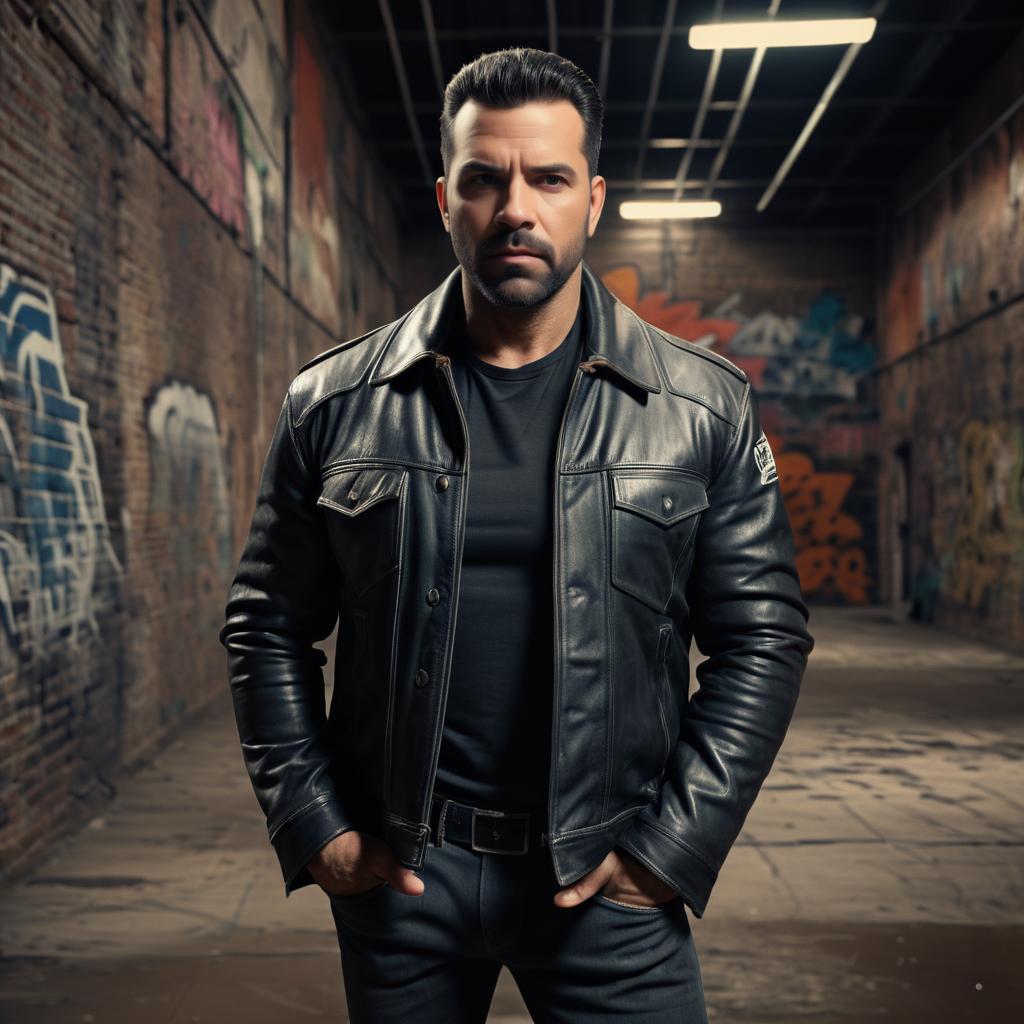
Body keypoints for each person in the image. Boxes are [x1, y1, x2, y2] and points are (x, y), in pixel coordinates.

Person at [220, 46, 814, 1024]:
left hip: (605, 878)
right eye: (486, 180)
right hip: (404, 878)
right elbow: (266, 626)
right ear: (448, 195)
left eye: (548, 178)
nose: (516, 210)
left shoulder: (698, 406)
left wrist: (672, 845)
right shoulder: (334, 402)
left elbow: (762, 637)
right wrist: (314, 822)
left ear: (593, 197)